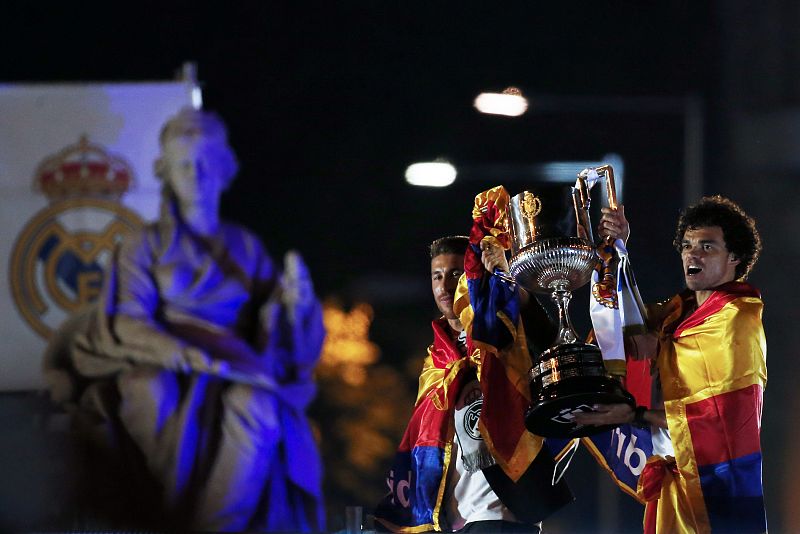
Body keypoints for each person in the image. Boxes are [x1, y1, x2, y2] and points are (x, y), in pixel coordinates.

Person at [43, 108, 325, 532]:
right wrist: (185, 355)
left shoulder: (246, 246)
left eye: (205, 162)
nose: (196, 174)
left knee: (260, 407)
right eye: (184, 164)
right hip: (163, 358)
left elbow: (280, 334)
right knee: (149, 392)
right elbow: (126, 321)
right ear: (167, 173)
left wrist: (297, 305)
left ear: (224, 169)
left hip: (236, 366)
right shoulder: (144, 244)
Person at [575, 196, 766, 533]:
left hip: (719, 491)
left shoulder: (738, 318)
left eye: (707, 246)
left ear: (734, 257)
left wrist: (634, 414)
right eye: (688, 245)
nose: (693, 254)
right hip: (673, 484)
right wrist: (614, 250)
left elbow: (720, 420)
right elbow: (626, 317)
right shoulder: (680, 312)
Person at [373, 233, 573, 533]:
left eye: (456, 273)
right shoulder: (436, 359)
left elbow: (553, 351)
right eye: (437, 276)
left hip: (505, 515)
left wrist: (513, 290)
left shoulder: (502, 335)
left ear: (472, 276)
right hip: (459, 521)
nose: (445, 285)